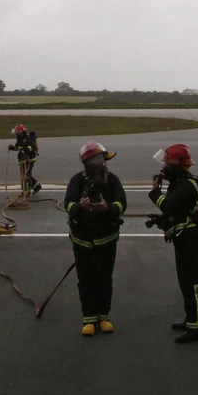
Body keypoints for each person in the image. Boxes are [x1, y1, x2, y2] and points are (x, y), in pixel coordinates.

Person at [64, 141, 128, 336]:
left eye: (102, 159)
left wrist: (108, 208)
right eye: (96, 160)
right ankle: (89, 318)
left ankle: (104, 316)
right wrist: (79, 208)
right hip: (82, 240)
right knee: (86, 279)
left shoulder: (113, 180)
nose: (100, 163)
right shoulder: (76, 181)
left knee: (104, 279)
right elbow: (67, 203)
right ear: (86, 163)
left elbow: (122, 202)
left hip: (107, 239)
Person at [148, 143, 198, 343]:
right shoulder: (180, 182)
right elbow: (177, 210)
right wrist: (164, 220)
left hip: (190, 240)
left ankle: (197, 326)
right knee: (185, 282)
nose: (164, 168)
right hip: (183, 239)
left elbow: (170, 205)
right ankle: (191, 319)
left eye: (167, 163)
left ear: (179, 165)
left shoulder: (188, 184)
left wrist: (155, 191)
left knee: (193, 284)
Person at [9, 123, 41, 198]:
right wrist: (12, 147)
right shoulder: (20, 139)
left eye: (17, 133)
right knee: (26, 175)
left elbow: (31, 147)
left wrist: (23, 149)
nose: (16, 135)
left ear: (21, 132)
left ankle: (26, 192)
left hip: (29, 160)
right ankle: (37, 186)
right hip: (23, 160)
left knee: (25, 176)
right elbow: (17, 147)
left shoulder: (28, 139)